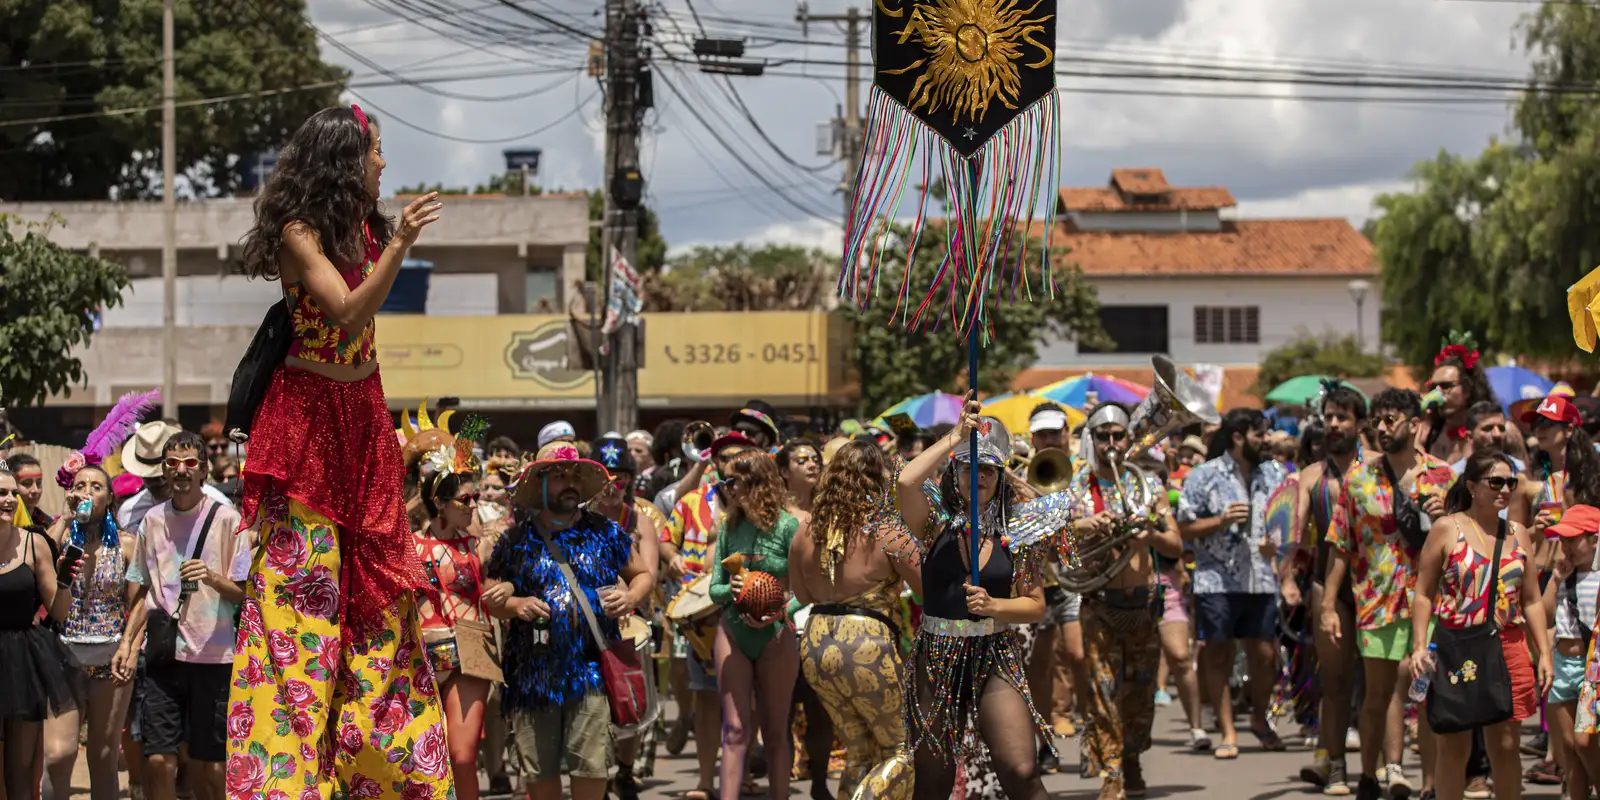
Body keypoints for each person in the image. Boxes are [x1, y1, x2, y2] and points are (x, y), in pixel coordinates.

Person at [229, 104, 452, 800]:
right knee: (305, 608)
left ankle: (383, 776)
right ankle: (286, 782)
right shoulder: (300, 233)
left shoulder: (364, 226)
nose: (384, 164)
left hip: (362, 420)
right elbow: (349, 311)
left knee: (380, 600)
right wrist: (401, 245)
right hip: (307, 428)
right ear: (346, 160)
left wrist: (389, 240)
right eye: (376, 152)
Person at [877, 396, 1081, 800]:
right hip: (937, 654)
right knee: (934, 780)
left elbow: (1035, 604)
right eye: (969, 467)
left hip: (995, 652)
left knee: (1021, 770)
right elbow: (904, 482)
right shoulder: (933, 522)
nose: (978, 476)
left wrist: (994, 606)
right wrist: (955, 437)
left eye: (988, 468)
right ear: (956, 470)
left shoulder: (1019, 528)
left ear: (1000, 474)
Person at [482, 442, 654, 800]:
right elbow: (492, 595)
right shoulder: (515, 539)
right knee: (539, 774)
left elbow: (642, 575)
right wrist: (515, 604)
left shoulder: (606, 532)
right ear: (541, 484)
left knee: (591, 770)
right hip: (532, 676)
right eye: (559, 476)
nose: (570, 483)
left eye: (575, 475)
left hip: (591, 671)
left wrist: (631, 597)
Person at [1323, 389, 1455, 800]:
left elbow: (1466, 541)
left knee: (1430, 696)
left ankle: (1432, 785)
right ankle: (1368, 776)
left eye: (1391, 420)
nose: (1381, 428)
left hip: (1433, 602)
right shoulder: (1359, 479)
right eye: (1377, 421)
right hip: (1375, 603)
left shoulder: (1444, 477)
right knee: (1378, 695)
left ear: (1415, 425)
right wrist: (1328, 604)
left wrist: (1444, 517)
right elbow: (1339, 546)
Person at [113, 431, 251, 800]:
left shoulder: (227, 520)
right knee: (157, 761)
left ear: (203, 470)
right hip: (163, 654)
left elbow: (244, 593)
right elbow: (142, 591)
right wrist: (127, 644)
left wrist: (210, 576)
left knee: (211, 767)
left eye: (190, 463)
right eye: (173, 464)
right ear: (164, 470)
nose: (181, 471)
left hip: (213, 656)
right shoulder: (151, 522)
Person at [1411, 453, 1552, 800]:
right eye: (1496, 482)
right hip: (1457, 646)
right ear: (1472, 486)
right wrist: (1418, 646)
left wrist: (1544, 653)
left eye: (1511, 483)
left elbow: (1531, 599)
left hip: (1509, 646)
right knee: (1454, 745)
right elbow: (1423, 593)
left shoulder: (1518, 533)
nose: (1505, 490)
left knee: (1506, 745)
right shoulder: (1448, 528)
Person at [790, 439, 921, 799]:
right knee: (903, 751)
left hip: (816, 640)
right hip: (866, 641)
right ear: (877, 477)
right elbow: (927, 589)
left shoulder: (806, 528)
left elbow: (802, 595)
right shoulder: (885, 528)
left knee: (860, 752)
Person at [1069, 404, 1184, 799]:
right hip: (1099, 602)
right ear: (1093, 440)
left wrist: (1147, 535)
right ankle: (1111, 772)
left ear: (1128, 438)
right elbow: (1055, 548)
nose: (1112, 443)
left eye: (1118, 435)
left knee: (1140, 692)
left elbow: (1175, 544)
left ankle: (1131, 757)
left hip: (1142, 604)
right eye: (1104, 436)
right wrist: (1084, 526)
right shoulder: (1077, 488)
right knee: (1103, 692)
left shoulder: (1148, 485)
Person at [1176, 408, 1291, 760]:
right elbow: (1183, 527)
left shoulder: (1274, 474)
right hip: (1216, 581)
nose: (1267, 440)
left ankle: (1259, 718)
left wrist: (1277, 543)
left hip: (1261, 578)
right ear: (1239, 437)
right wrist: (1220, 521)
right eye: (1260, 434)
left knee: (1265, 654)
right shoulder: (1204, 475)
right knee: (1219, 655)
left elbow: (1284, 522)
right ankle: (1227, 729)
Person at [707, 446, 804, 800]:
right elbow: (714, 589)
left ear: (755, 481)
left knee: (777, 733)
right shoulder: (729, 527)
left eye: (732, 480)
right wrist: (732, 590)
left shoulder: (788, 526)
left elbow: (805, 589)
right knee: (734, 731)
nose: (726, 487)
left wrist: (781, 612)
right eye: (725, 481)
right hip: (733, 631)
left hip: (776, 634)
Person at [659, 434, 750, 797]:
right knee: (707, 697)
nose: (729, 463)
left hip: (747, 608)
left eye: (737, 457)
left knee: (748, 697)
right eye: (723, 457)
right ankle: (705, 780)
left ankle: (741, 776)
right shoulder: (691, 503)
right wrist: (671, 557)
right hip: (701, 610)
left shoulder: (759, 503)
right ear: (714, 463)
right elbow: (667, 539)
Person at [46, 458, 139, 800]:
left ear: (110, 499)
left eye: (96, 486)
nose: (86, 492)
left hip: (111, 659)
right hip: (63, 656)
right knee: (58, 755)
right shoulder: (58, 539)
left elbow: (140, 602)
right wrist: (66, 517)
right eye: (79, 486)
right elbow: (39, 549)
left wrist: (130, 645)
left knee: (102, 756)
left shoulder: (127, 545)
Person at [1293, 382, 1369, 796]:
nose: (1334, 424)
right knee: (1336, 682)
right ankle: (1335, 767)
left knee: (1380, 683)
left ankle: (1379, 768)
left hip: (1377, 586)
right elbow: (1292, 532)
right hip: (1328, 586)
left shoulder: (1378, 467)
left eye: (1342, 417)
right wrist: (1287, 574)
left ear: (1360, 423)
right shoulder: (1309, 476)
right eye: (1329, 418)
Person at [410, 440, 492, 800]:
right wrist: (424, 488)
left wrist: (504, 589)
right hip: (420, 658)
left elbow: (499, 585)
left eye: (475, 498)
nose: (474, 506)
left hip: (471, 656)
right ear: (440, 503)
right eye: (465, 500)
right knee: (423, 758)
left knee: (462, 754)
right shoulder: (408, 546)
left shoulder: (481, 545)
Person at [0, 465, 84, 799]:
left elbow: (59, 610)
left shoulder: (34, 543)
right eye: (0, 493)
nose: (9, 499)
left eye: (10, 493)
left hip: (23, 663)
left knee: (21, 775)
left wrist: (65, 581)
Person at [588, 435, 664, 800]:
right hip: (587, 624)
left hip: (629, 621)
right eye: (606, 476)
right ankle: (597, 777)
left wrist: (628, 596)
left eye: (621, 477)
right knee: (595, 706)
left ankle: (626, 772)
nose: (614, 485)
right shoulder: (576, 518)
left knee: (631, 706)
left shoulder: (640, 520)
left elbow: (647, 572)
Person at [1026, 401, 1084, 759]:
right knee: (1040, 666)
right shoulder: (1018, 475)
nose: (1049, 438)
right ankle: (1044, 739)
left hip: (1078, 579)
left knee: (1079, 655)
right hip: (1041, 580)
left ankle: (1092, 730)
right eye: (1042, 433)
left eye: (1055, 432)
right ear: (1032, 437)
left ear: (1065, 434)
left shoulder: (1083, 471)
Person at [1543, 504, 1600, 800]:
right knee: (1570, 748)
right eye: (1562, 540)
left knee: (1585, 742)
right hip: (1563, 663)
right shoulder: (1563, 575)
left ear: (1595, 540)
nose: (1566, 547)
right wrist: (1555, 580)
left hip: (1593, 667)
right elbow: (1545, 616)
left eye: (1573, 540)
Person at [1421, 333, 1498, 464]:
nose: (1438, 392)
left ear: (1467, 390)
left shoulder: (1490, 432)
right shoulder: (1430, 433)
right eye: (1434, 387)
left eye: (1446, 386)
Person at [6, 453, 53, 528]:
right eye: (27, 483)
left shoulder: (48, 522)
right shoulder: (4, 524)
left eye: (38, 483)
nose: (35, 490)